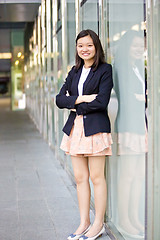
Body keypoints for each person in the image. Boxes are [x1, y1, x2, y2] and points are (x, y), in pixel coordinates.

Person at [56, 29, 113, 240]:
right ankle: (84, 222)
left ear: (96, 47)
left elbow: (102, 102)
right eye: (81, 45)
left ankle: (98, 224)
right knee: (80, 178)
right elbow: (60, 99)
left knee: (97, 178)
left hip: (95, 128)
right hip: (75, 130)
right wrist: (81, 99)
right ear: (76, 48)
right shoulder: (74, 71)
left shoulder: (105, 70)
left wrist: (74, 103)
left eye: (89, 45)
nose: (84, 49)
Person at [113, 30, 147, 238]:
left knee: (139, 175)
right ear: (127, 47)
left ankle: (134, 217)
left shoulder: (138, 68)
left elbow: (141, 97)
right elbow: (127, 97)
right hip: (127, 126)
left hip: (139, 125)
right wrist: (139, 98)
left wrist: (140, 98)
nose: (139, 49)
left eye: (141, 46)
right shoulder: (121, 68)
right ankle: (123, 219)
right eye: (135, 46)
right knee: (127, 176)